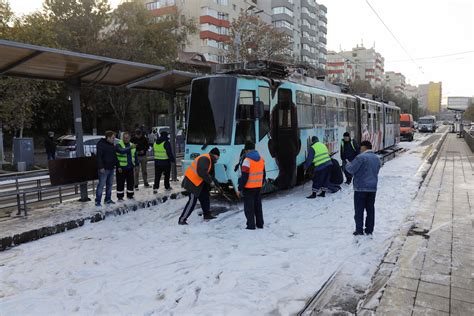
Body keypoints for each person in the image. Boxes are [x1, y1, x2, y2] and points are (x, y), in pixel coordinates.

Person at [345, 140, 381, 236]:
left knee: (359, 210)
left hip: (360, 188)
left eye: (360, 148)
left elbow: (351, 170)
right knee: (370, 209)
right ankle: (369, 230)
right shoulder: (377, 158)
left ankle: (359, 230)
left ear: (364, 147)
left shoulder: (360, 157)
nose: (360, 149)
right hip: (372, 188)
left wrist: (347, 163)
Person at [178, 148, 220, 225]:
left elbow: (210, 175)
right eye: (218, 157)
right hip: (192, 182)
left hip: (198, 183)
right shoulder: (205, 159)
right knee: (192, 201)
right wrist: (211, 182)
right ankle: (182, 219)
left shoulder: (210, 160)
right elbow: (202, 172)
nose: (218, 159)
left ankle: (207, 215)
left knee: (205, 197)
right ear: (215, 155)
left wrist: (217, 184)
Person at [237, 141, 265, 230]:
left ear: (247, 150)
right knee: (258, 206)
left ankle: (251, 225)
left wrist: (240, 187)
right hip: (258, 186)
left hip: (249, 188)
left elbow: (244, 176)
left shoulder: (247, 161)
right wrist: (262, 182)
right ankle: (260, 224)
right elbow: (264, 173)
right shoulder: (261, 159)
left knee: (249, 208)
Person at [95, 131, 117, 207]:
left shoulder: (112, 145)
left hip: (111, 168)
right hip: (104, 169)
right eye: (113, 138)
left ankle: (107, 199)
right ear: (108, 137)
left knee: (110, 185)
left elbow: (114, 156)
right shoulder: (101, 144)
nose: (114, 139)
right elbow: (99, 157)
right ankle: (97, 201)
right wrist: (101, 167)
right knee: (101, 185)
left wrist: (117, 165)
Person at [115, 132, 137, 201]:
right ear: (122, 138)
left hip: (130, 167)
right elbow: (121, 151)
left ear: (129, 138)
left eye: (127, 138)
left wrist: (136, 165)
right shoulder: (118, 145)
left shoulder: (131, 145)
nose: (126, 139)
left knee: (130, 182)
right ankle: (120, 197)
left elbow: (135, 156)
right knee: (120, 182)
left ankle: (130, 195)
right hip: (121, 167)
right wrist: (118, 166)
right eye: (124, 137)